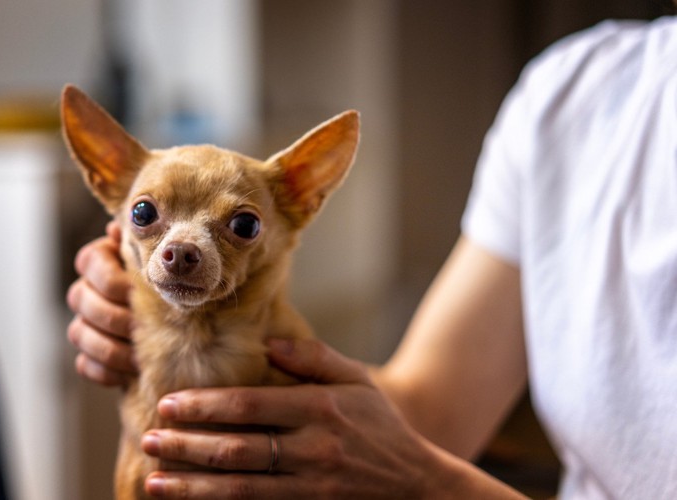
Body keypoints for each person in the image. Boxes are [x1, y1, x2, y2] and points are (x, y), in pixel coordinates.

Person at [66, 14, 677, 499]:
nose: (179, 250)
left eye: (240, 225)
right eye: (147, 216)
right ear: (109, 184)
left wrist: (431, 487)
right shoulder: (576, 92)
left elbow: (419, 458)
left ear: (303, 195)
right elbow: (429, 410)